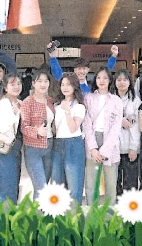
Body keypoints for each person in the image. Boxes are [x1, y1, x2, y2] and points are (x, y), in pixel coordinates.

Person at [83, 67, 123, 204]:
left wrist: (105, 150)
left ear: (110, 80)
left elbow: (116, 127)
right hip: (92, 140)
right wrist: (93, 148)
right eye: (99, 77)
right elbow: (86, 124)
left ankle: (109, 218)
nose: (102, 80)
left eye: (105, 78)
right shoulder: (88, 98)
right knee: (91, 183)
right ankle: (91, 215)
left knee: (111, 184)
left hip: (110, 144)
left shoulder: (116, 100)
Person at [51, 73, 86, 202]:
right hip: (58, 144)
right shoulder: (56, 105)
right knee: (57, 183)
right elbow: (55, 129)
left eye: (69, 84)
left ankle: (75, 218)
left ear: (75, 86)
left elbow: (73, 128)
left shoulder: (79, 106)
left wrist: (67, 111)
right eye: (63, 84)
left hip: (74, 144)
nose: (65, 87)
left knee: (74, 185)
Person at [19, 68, 54, 193]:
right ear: (33, 83)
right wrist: (36, 131)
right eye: (39, 81)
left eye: (46, 81)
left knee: (45, 185)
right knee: (40, 187)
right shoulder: (27, 102)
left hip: (49, 146)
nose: (43, 84)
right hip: (33, 148)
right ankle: (37, 213)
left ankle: (43, 212)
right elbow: (24, 127)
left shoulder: (50, 101)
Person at [0, 73, 24, 202]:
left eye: (18, 84)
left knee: (14, 183)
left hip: (16, 147)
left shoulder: (20, 102)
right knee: (6, 184)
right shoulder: (4, 103)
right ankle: (4, 218)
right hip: (4, 147)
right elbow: (3, 126)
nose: (16, 87)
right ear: (5, 87)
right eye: (12, 84)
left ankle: (12, 216)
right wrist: (15, 114)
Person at [115, 70, 141, 195]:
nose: (122, 83)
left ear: (130, 82)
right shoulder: (110, 99)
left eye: (125, 80)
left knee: (131, 183)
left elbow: (136, 127)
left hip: (129, 148)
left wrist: (133, 148)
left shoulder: (135, 100)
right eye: (119, 80)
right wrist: (120, 120)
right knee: (115, 183)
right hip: (113, 149)